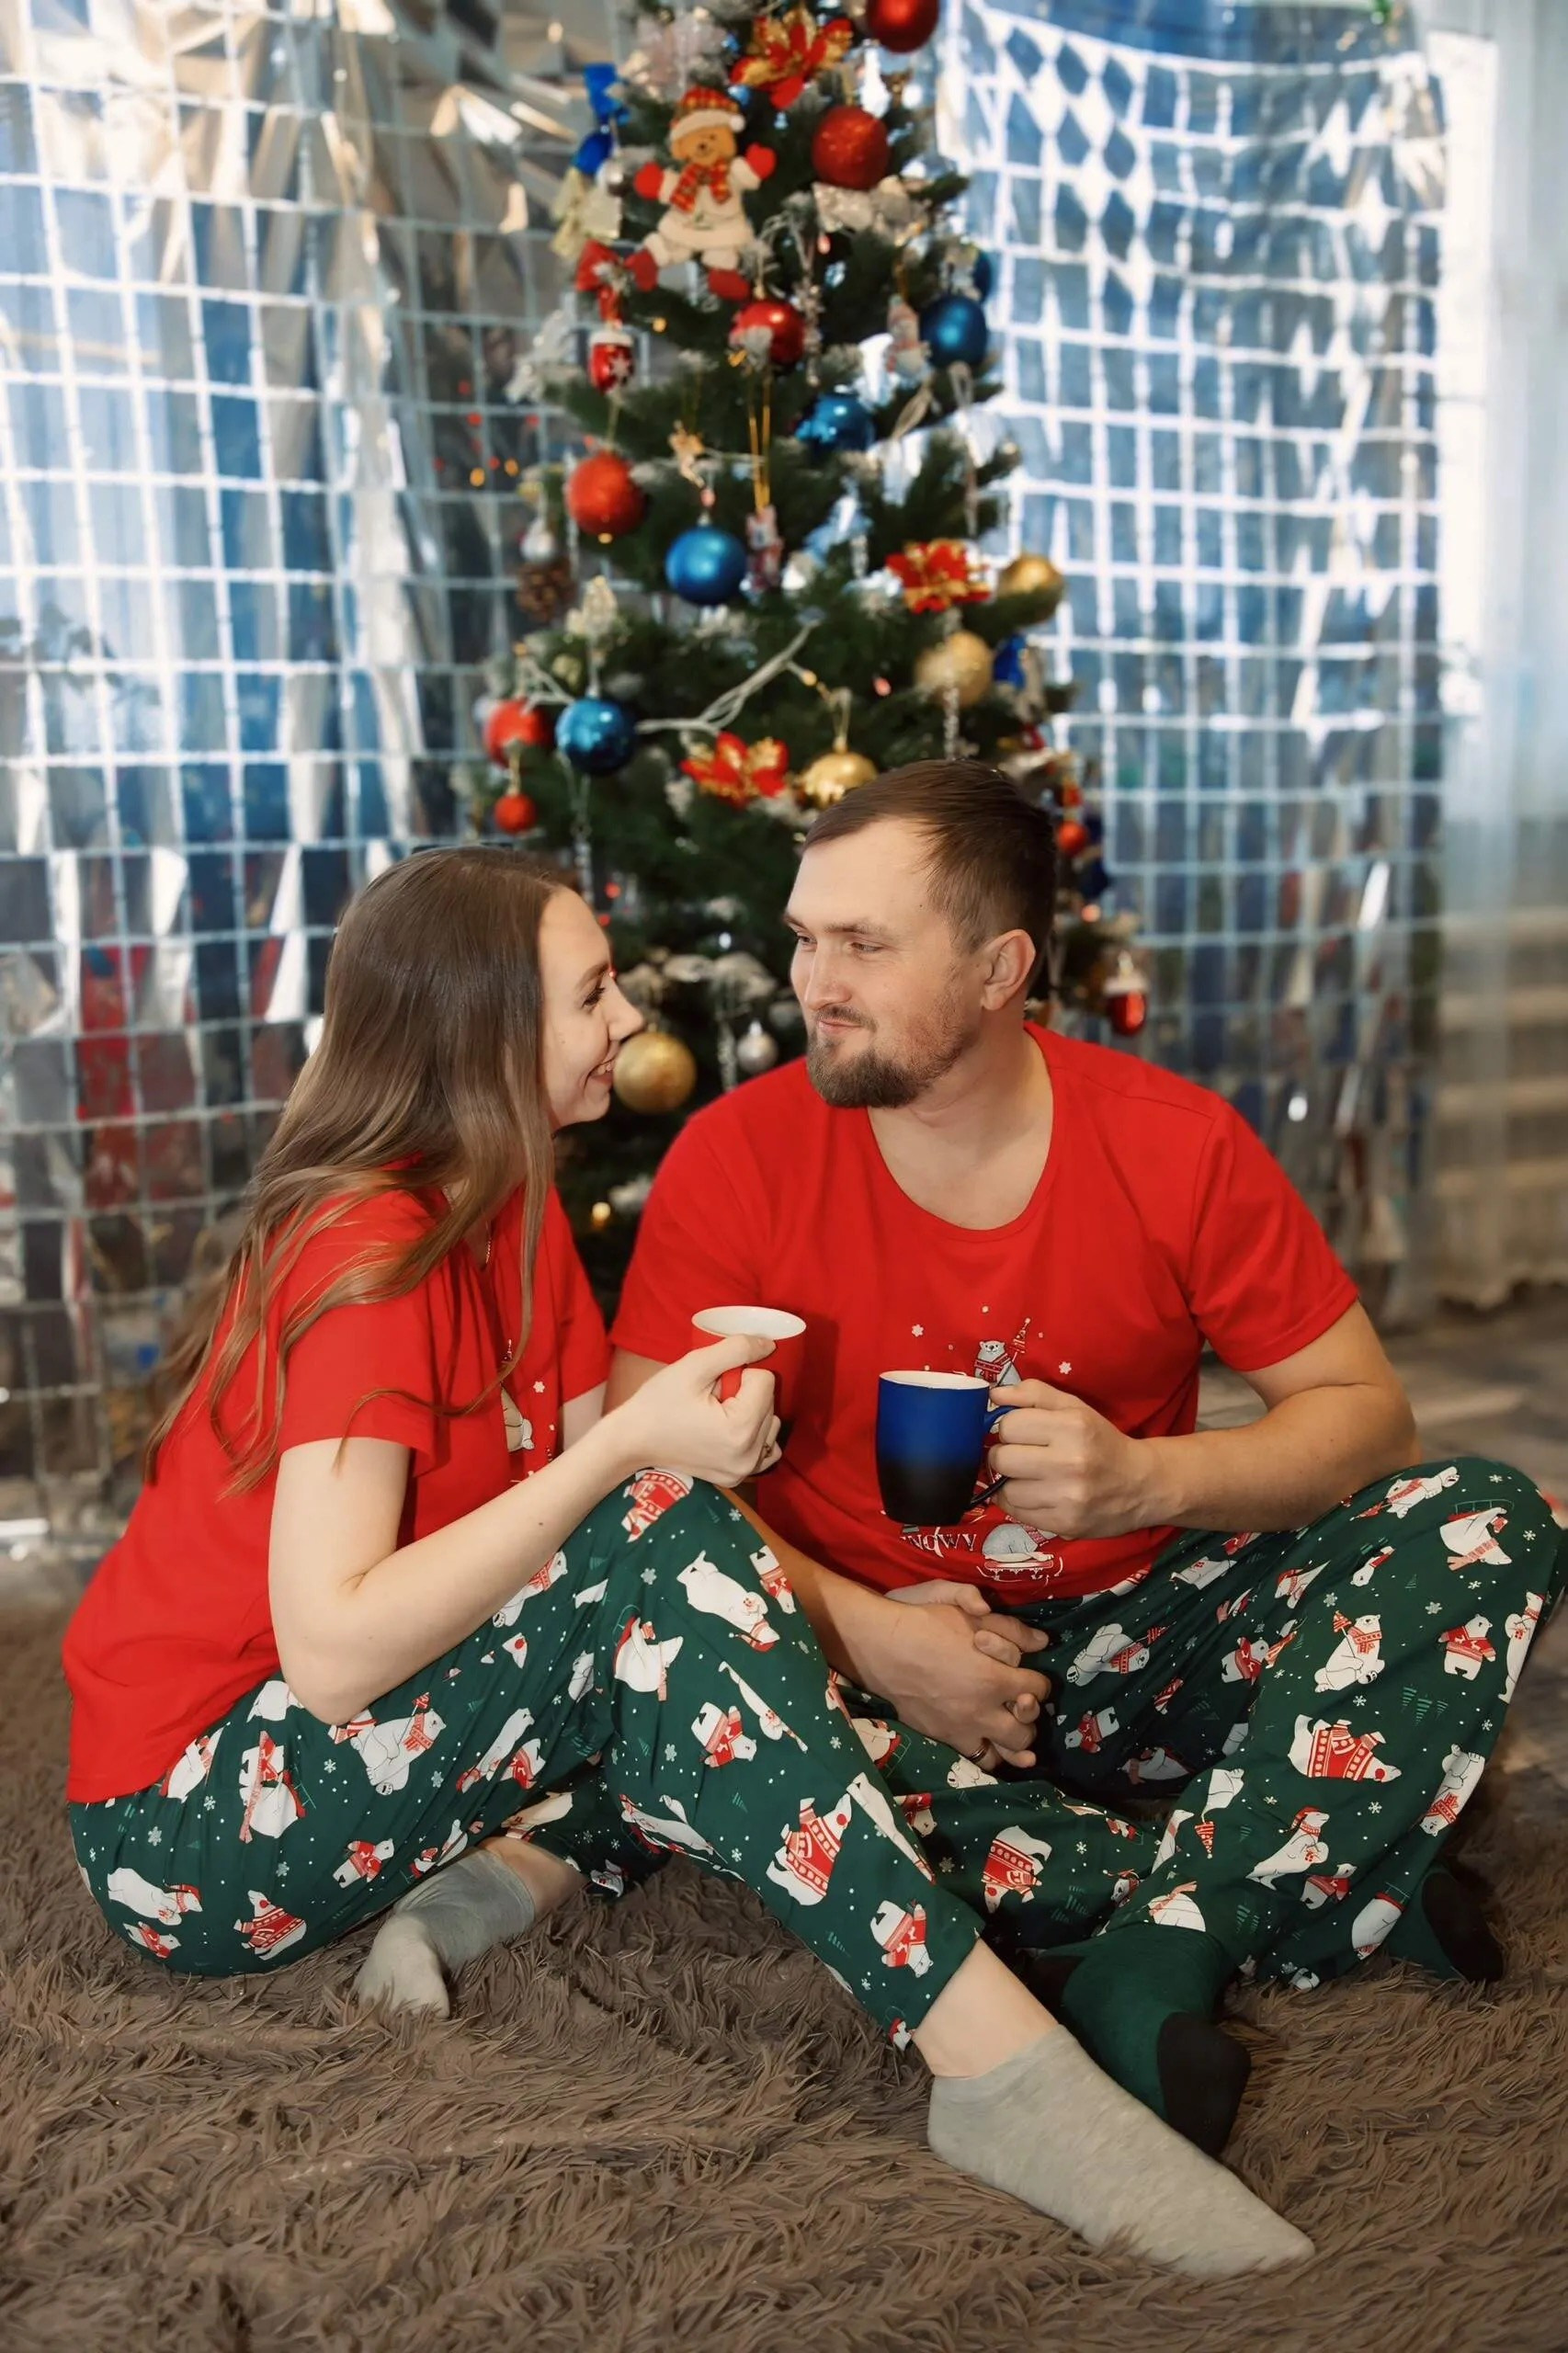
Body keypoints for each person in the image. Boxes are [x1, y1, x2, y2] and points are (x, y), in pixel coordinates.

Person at [61, 844, 1312, 2279]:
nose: (629, 1022)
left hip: (383, 1747)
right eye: (591, 995)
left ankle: (1173, 1887)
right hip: (193, 1831)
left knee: (723, 1680)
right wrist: (633, 1457)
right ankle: (995, 2065)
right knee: (668, 1571)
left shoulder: (517, 1208)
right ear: (483, 1031)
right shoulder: (366, 1251)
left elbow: (610, 1541)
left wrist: (720, 1507)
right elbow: (336, 1651)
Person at [597, 760, 1565, 2154]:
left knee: (1485, 1516)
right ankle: (1319, 1864)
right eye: (805, 937)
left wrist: (1147, 1480)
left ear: (1001, 969)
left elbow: (1367, 1418)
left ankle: (1165, 1937)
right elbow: (644, 1488)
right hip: (876, 1673)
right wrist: (870, 1636)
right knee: (722, 1741)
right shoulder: (733, 1158)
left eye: (863, 944)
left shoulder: (1174, 1145)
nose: (815, 982)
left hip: (1150, 1637)